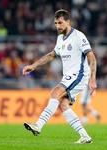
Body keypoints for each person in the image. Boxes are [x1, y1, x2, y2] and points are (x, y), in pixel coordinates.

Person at [22, 9, 97, 144]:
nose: (58, 26)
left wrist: (92, 78)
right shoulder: (60, 38)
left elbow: (91, 56)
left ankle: (38, 125)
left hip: (79, 75)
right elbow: (52, 55)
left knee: (55, 92)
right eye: (56, 23)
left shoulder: (78, 36)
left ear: (68, 22)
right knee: (63, 104)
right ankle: (85, 136)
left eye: (60, 23)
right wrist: (34, 65)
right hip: (69, 76)